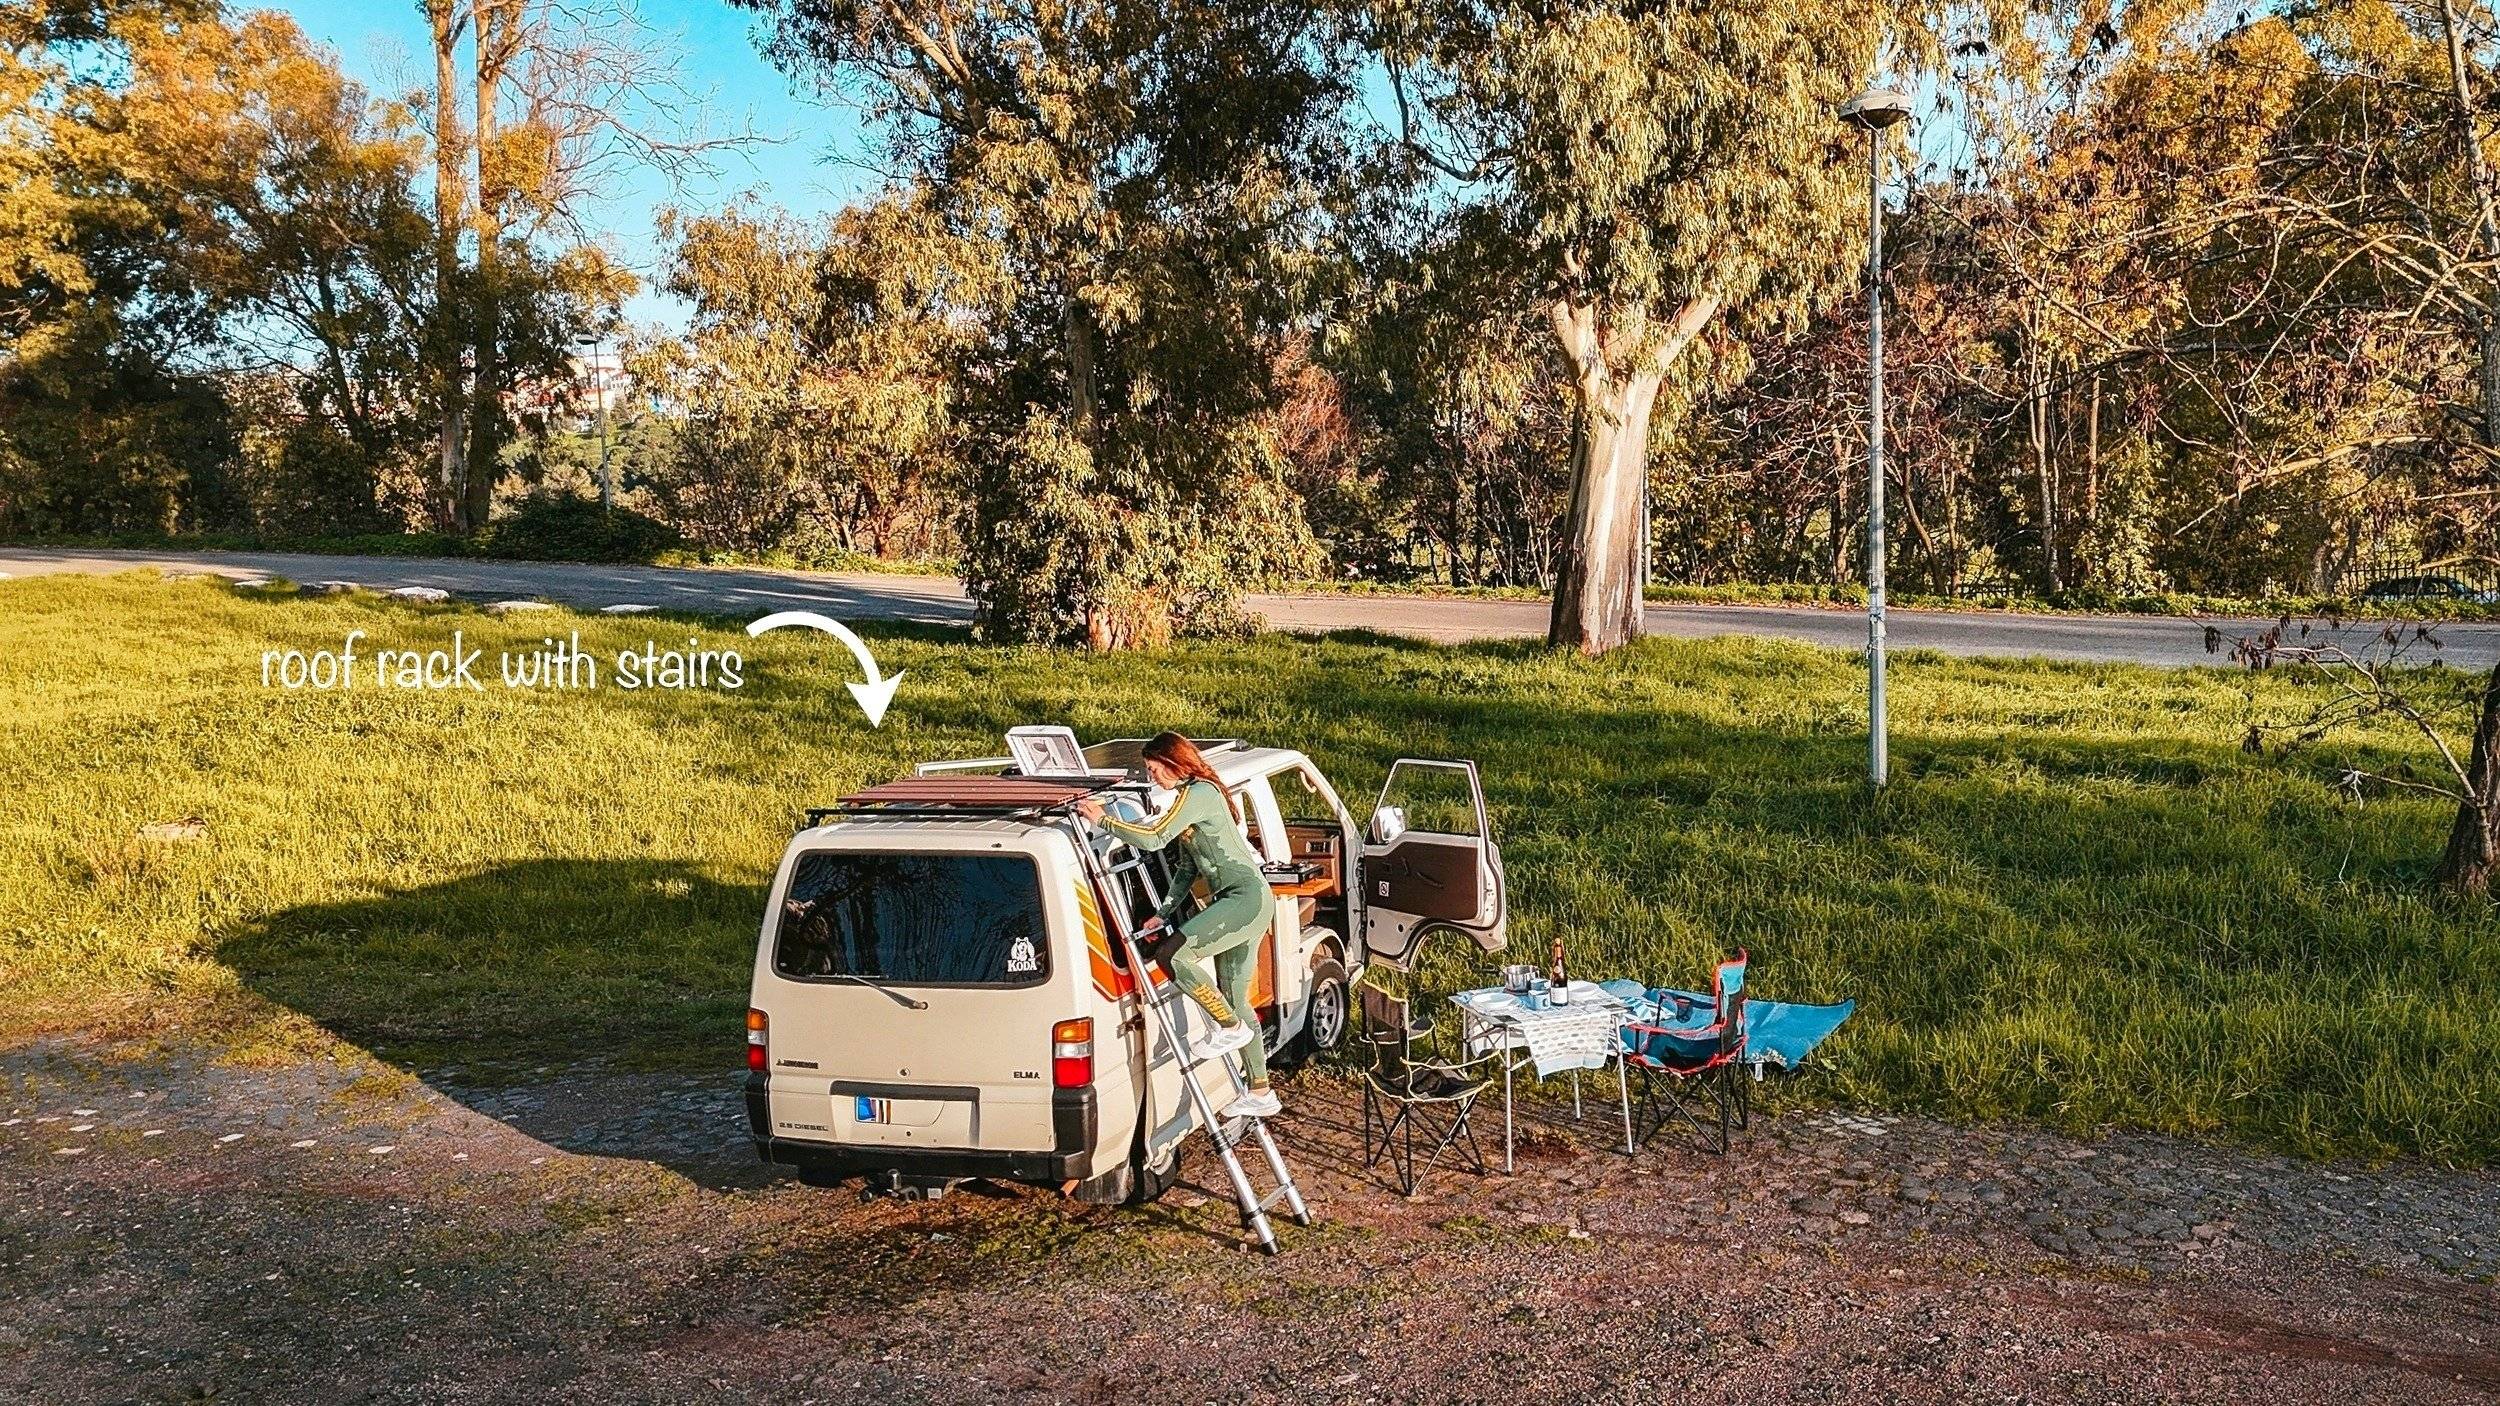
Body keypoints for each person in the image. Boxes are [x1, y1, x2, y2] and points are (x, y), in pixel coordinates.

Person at [1076, 731, 1282, 1119]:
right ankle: (1261, 1091)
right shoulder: (1192, 798)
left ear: (1173, 763)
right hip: (1242, 901)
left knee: (1172, 955)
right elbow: (1187, 868)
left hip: (1244, 899)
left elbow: (1156, 838)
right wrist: (1165, 912)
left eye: (1154, 769)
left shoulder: (1199, 792)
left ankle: (1228, 1026)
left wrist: (1103, 820)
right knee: (1235, 997)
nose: (1152, 777)